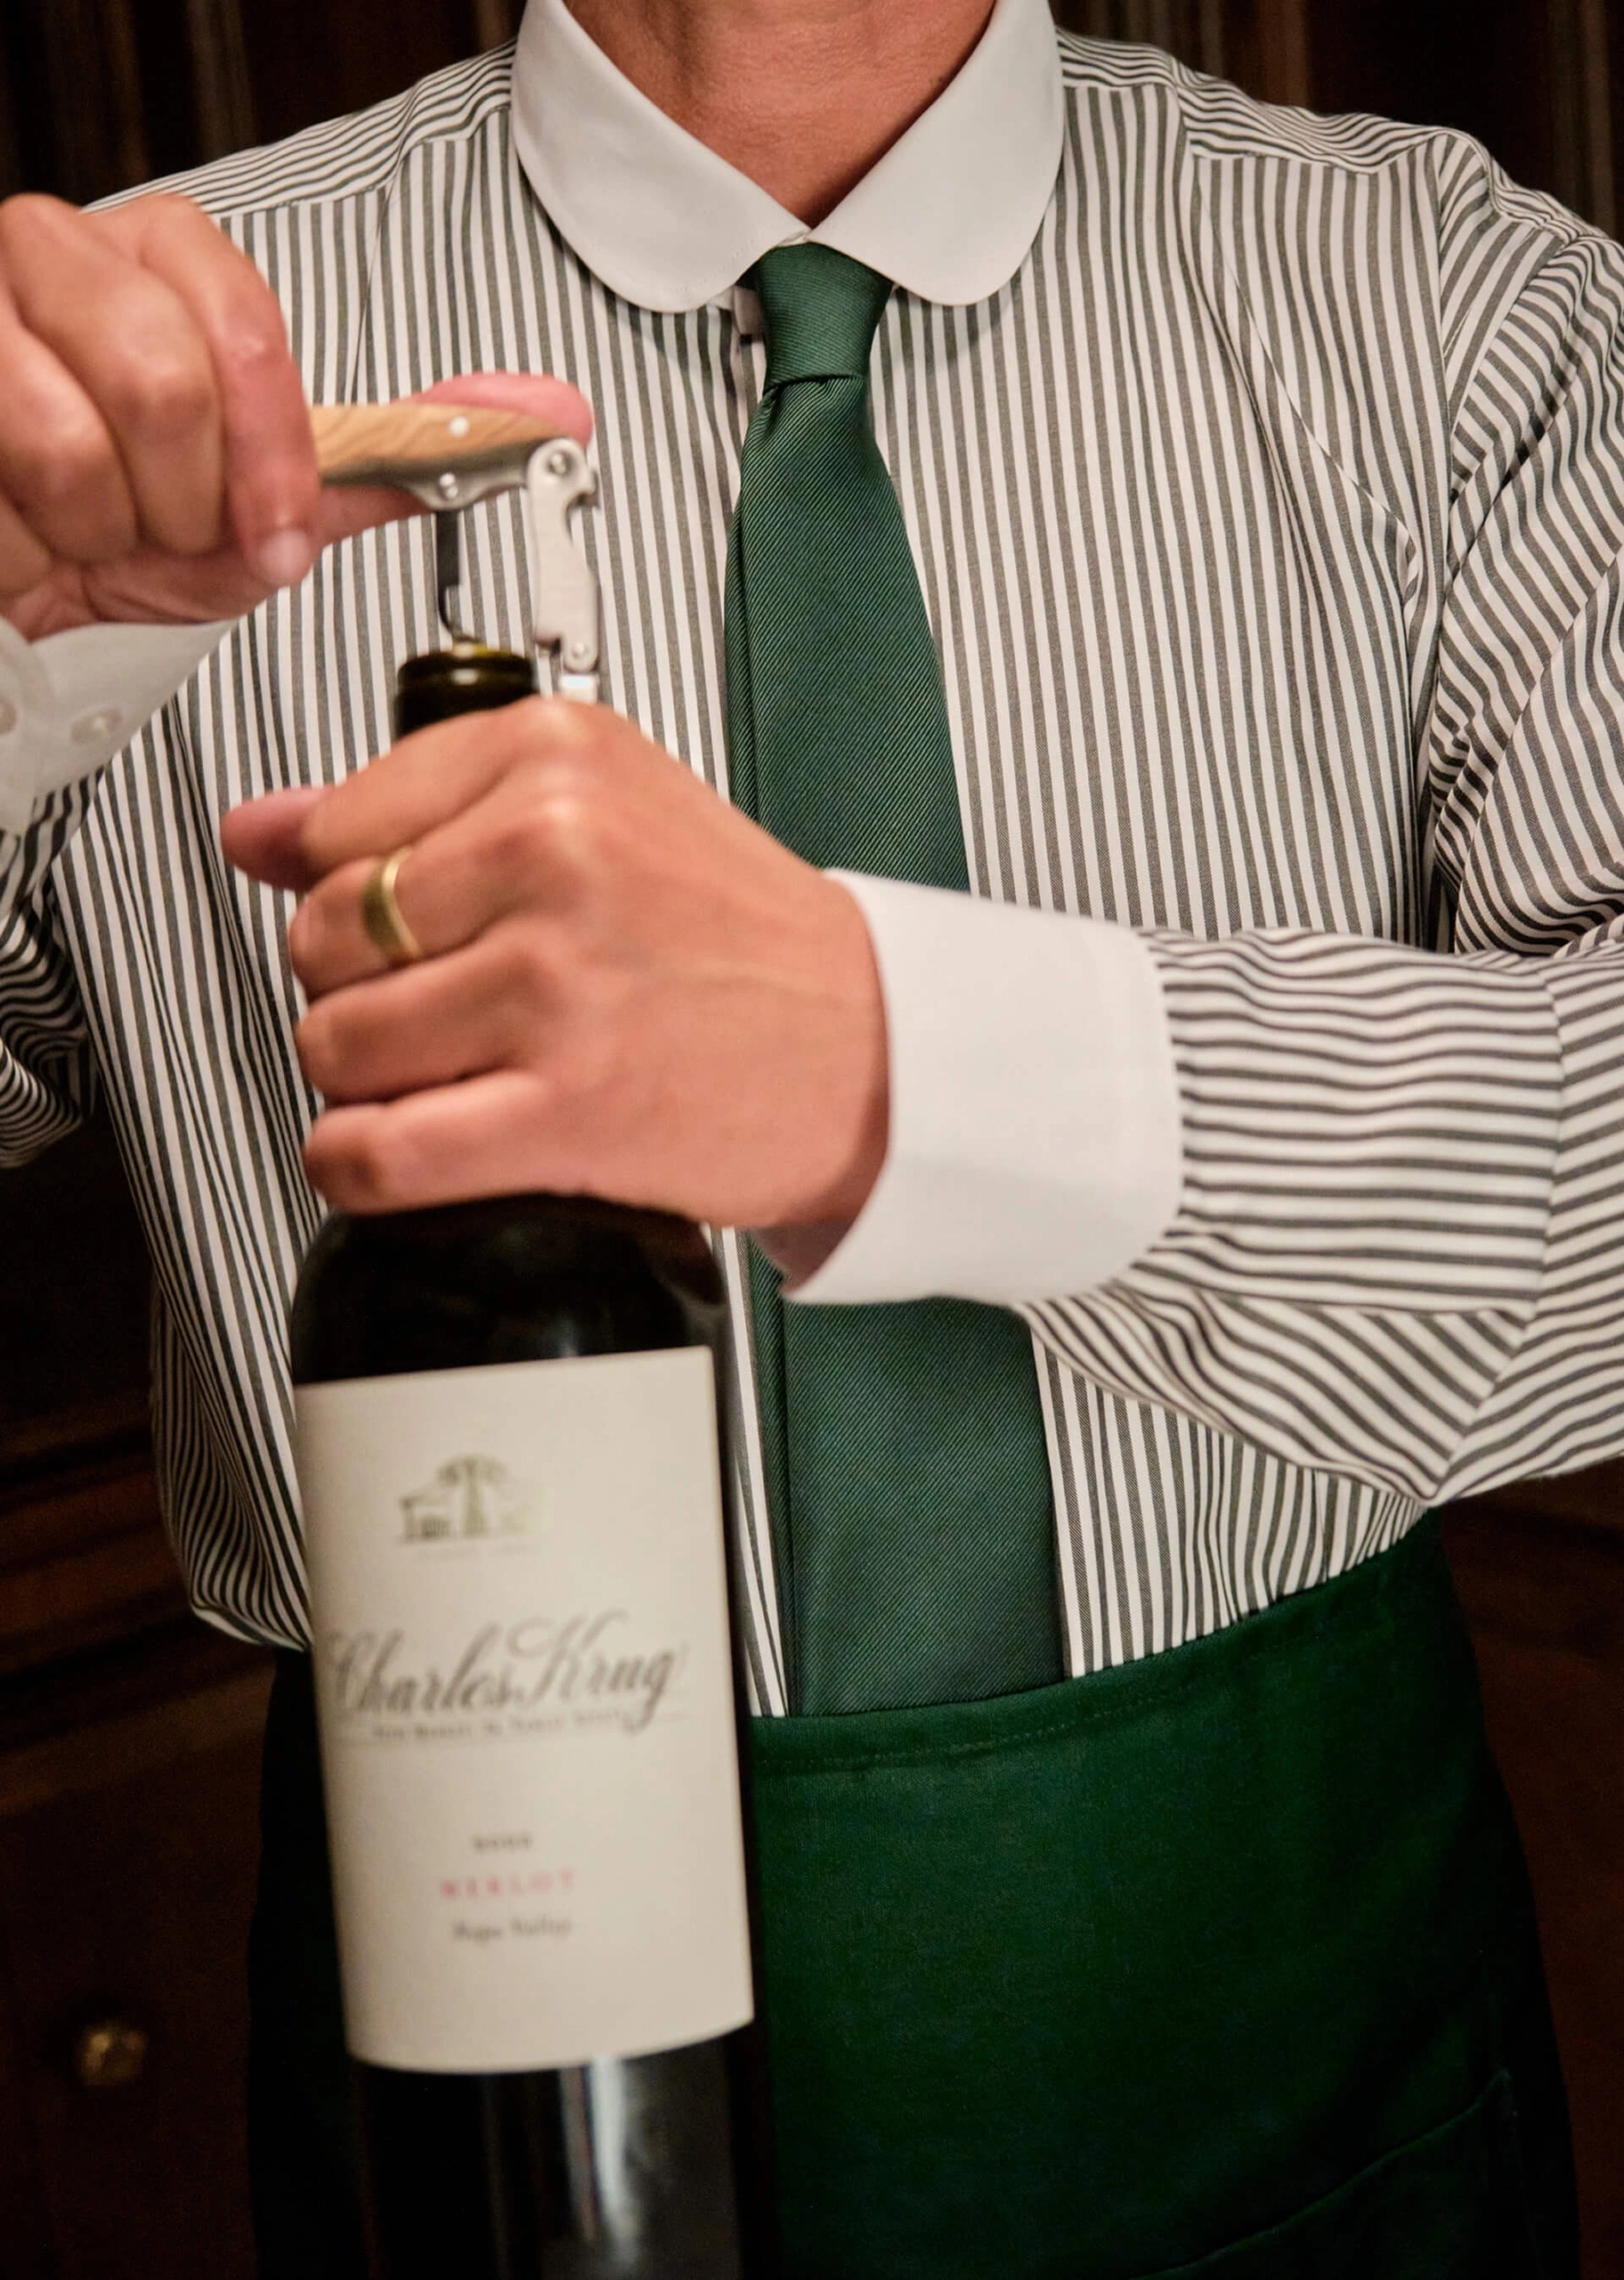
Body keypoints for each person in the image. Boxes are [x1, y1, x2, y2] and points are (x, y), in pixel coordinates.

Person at [1, 0, 1620, 2268]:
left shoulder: (1457, 306)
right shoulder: (109, 378)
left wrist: (891, 1060)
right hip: (450, 2033)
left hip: (1308, 2009)